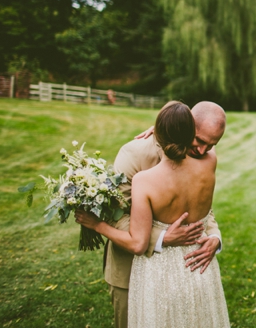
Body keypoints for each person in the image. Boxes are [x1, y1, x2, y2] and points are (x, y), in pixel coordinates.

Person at [76, 101, 230, 327]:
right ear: (186, 126)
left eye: (211, 145)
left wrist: (215, 237)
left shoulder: (202, 157)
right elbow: (116, 213)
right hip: (132, 270)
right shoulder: (134, 154)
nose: (201, 151)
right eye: (199, 141)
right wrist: (162, 237)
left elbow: (204, 207)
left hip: (187, 270)